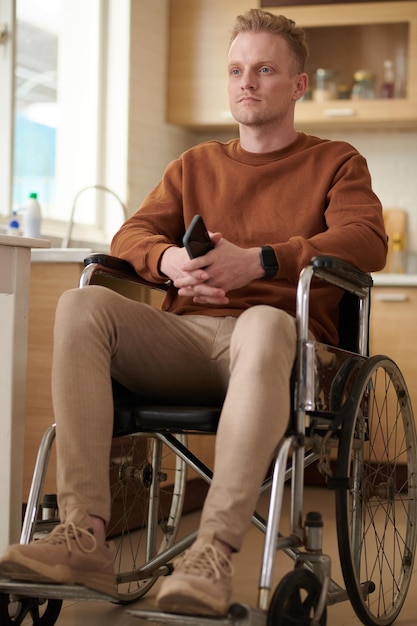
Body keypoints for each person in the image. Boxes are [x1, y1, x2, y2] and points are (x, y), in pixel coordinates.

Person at [0, 8, 387, 618]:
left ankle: (211, 551)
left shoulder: (337, 161)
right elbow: (131, 235)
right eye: (236, 69)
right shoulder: (194, 165)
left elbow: (367, 241)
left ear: (298, 85)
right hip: (185, 340)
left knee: (262, 321)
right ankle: (84, 536)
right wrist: (168, 261)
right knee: (81, 305)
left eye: (264, 69)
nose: (247, 82)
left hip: (277, 350)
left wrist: (262, 262)